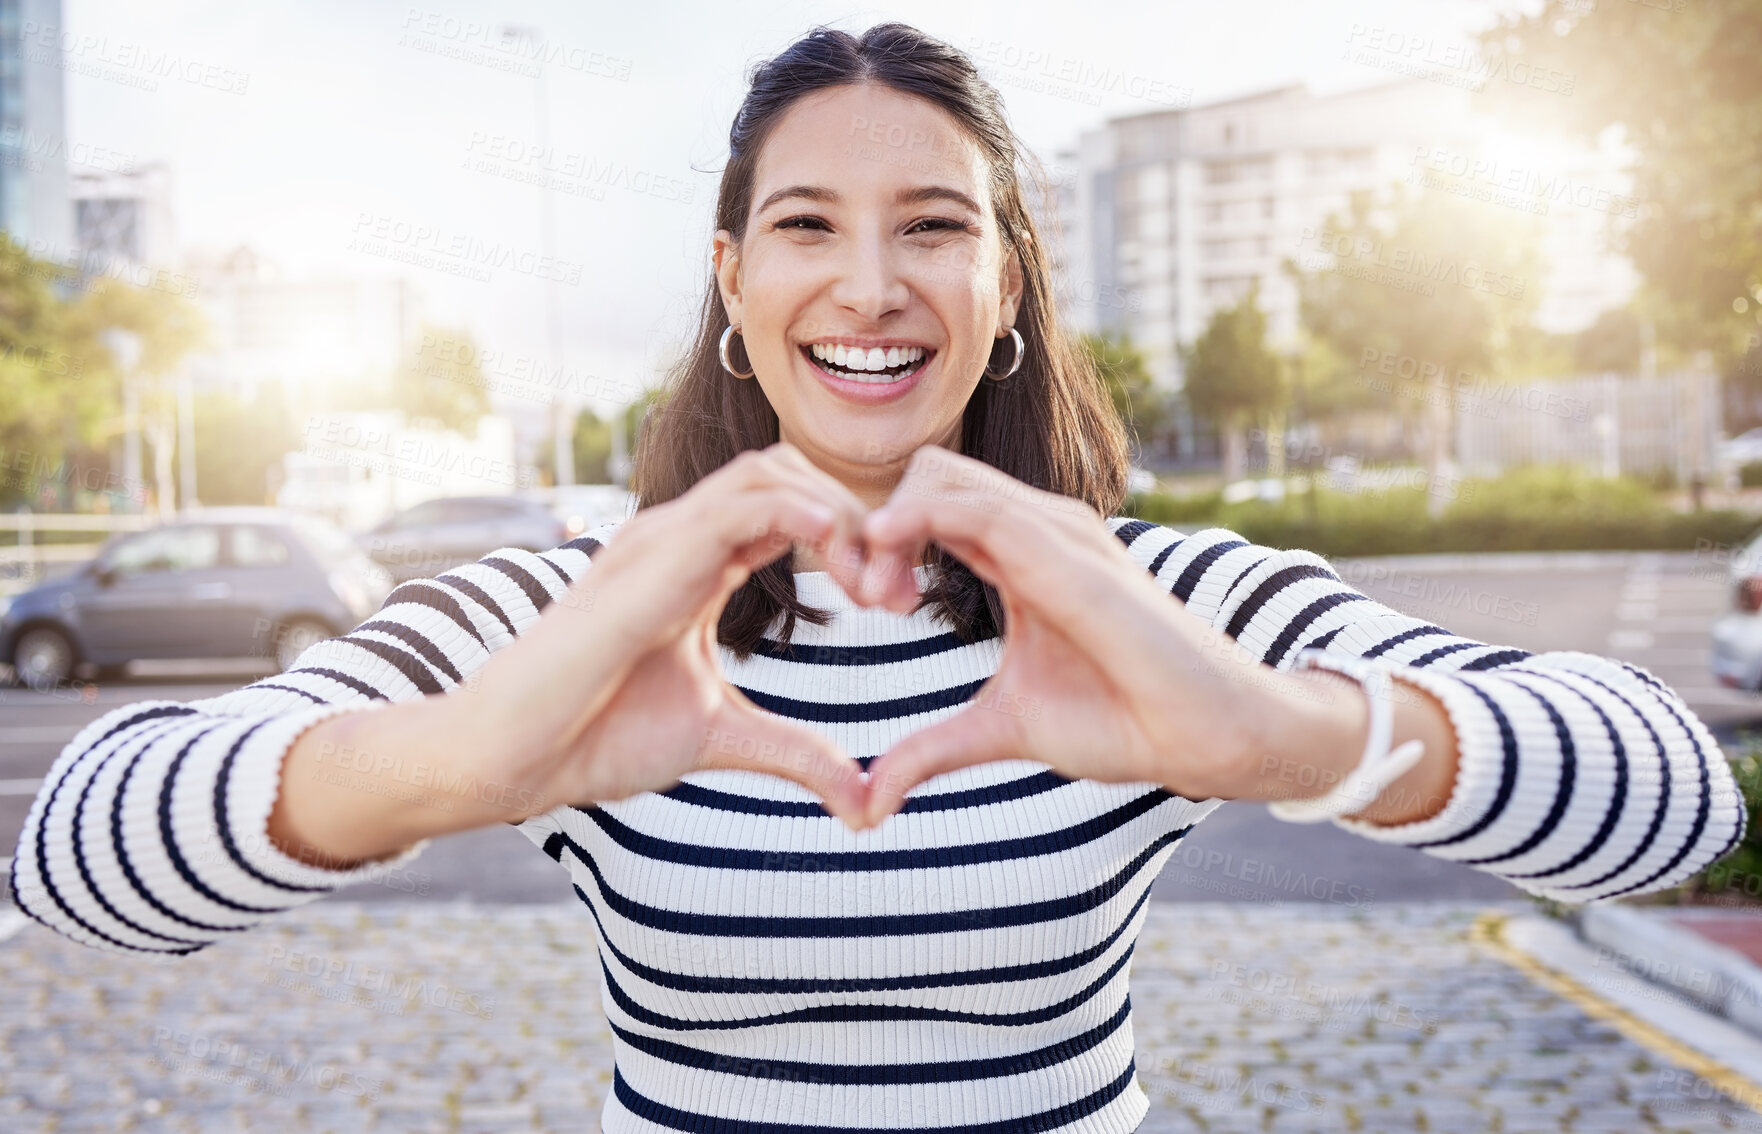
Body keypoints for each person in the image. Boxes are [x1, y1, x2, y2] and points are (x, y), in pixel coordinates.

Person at [11, 22, 1744, 1134]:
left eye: (932, 224)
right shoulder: (573, 614)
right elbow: (80, 854)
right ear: (730, 282)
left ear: (1005, 287)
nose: (869, 284)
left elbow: (1665, 797)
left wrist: (1292, 739)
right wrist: (455, 767)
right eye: (804, 224)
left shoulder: (1138, 593)